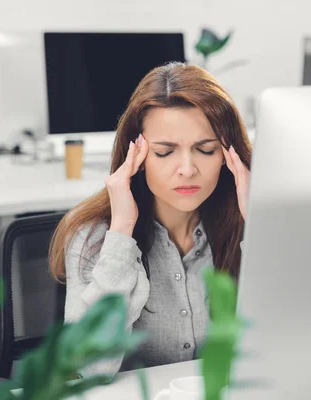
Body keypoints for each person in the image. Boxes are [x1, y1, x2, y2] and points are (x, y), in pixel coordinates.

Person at [48, 62, 253, 377]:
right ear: (138, 157)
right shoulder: (96, 237)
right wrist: (121, 235)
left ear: (229, 157)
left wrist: (258, 224)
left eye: (206, 149)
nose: (187, 168)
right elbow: (90, 368)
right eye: (164, 152)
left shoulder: (242, 226)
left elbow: (295, 343)